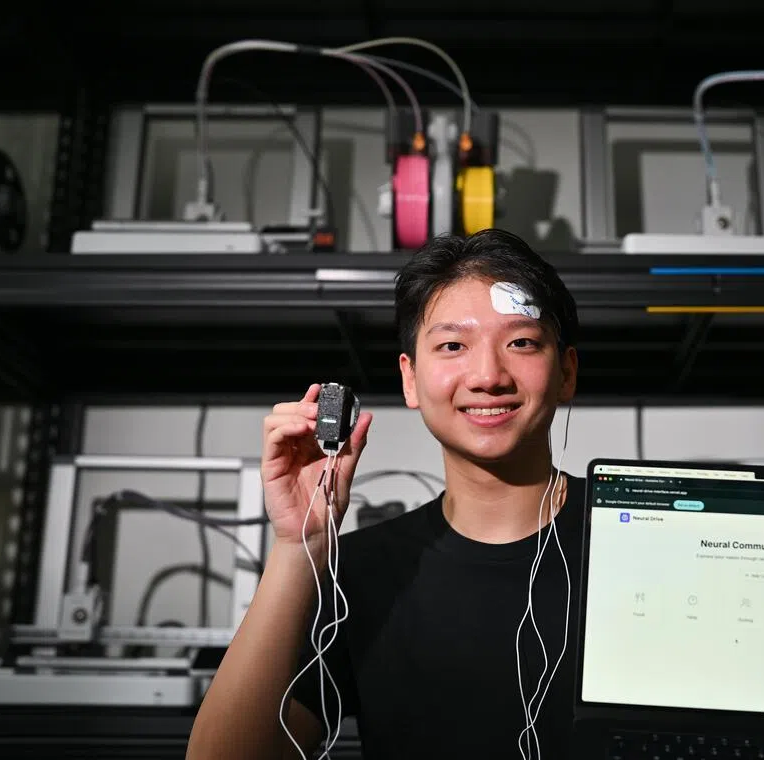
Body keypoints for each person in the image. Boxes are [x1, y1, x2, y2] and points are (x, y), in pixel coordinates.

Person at [186, 229, 582, 760]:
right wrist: (300, 543)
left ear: (566, 373)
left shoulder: (643, 538)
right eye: (452, 346)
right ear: (410, 379)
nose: (488, 375)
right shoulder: (360, 573)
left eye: (522, 342)